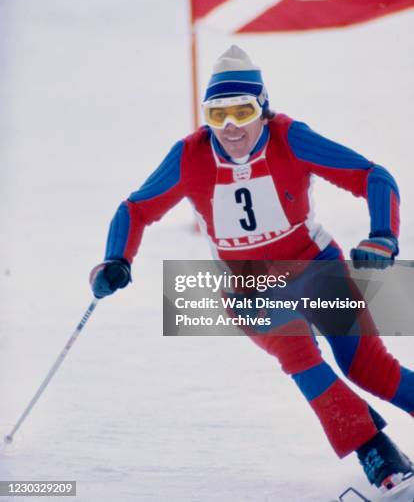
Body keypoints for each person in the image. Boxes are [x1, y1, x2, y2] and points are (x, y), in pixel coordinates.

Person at [90, 46, 414, 495]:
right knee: (296, 348)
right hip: (249, 289)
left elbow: (373, 176)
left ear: (263, 108)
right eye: (216, 114)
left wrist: (383, 234)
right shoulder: (190, 156)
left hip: (315, 268)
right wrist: (115, 259)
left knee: (368, 367)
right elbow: (136, 209)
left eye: (242, 111)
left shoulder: (289, 138)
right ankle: (375, 451)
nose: (230, 127)